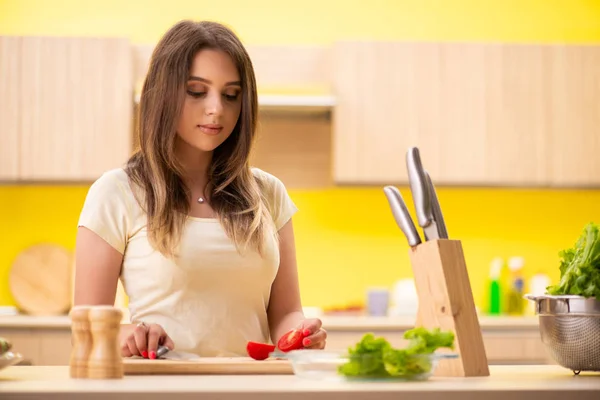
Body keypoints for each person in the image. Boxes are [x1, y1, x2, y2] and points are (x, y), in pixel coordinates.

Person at [73, 19, 327, 359]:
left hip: (257, 388)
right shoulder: (117, 192)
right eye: (196, 91)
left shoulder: (269, 193)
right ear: (163, 93)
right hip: (161, 389)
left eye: (231, 95)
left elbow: (284, 313)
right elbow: (86, 329)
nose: (216, 109)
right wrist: (131, 335)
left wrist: (300, 332)